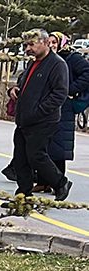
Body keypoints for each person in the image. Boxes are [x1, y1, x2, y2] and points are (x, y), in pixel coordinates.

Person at [6, 29, 71, 202]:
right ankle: (23, 194)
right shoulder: (32, 64)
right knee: (20, 158)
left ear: (45, 42)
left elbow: (60, 94)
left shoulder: (57, 64)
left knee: (36, 155)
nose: (28, 48)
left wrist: (39, 111)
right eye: (25, 45)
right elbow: (22, 85)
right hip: (24, 120)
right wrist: (12, 90)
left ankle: (61, 182)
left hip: (43, 120)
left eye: (31, 44)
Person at [44, 32, 89, 189]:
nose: (51, 45)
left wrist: (70, 89)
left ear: (61, 42)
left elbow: (87, 74)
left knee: (58, 145)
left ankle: (58, 182)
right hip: (49, 105)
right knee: (45, 144)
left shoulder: (72, 58)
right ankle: (44, 181)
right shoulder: (47, 58)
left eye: (54, 42)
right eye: (48, 42)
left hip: (64, 106)